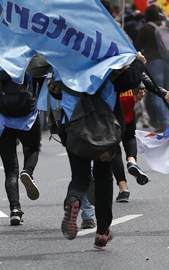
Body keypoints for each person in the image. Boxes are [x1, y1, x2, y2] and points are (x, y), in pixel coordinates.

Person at [51, 52, 146, 250]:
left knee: (80, 175)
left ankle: (73, 200)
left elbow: (55, 91)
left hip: (73, 127)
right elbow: (129, 80)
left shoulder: (64, 55)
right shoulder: (107, 56)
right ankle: (102, 232)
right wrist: (138, 62)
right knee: (103, 178)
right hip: (104, 129)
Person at [0, 62, 42, 226]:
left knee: (10, 170)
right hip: (28, 119)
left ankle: (15, 209)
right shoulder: (28, 67)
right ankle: (28, 172)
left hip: (2, 122)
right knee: (32, 150)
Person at [112, 74, 169, 202]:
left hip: (111, 99)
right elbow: (142, 75)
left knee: (113, 148)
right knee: (129, 136)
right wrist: (161, 92)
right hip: (129, 96)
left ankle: (123, 189)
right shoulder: (129, 55)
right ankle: (131, 161)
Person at [134, 5, 169, 131]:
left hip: (155, 63)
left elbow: (136, 46)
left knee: (157, 91)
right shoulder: (168, 25)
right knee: (167, 90)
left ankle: (164, 121)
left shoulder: (146, 28)